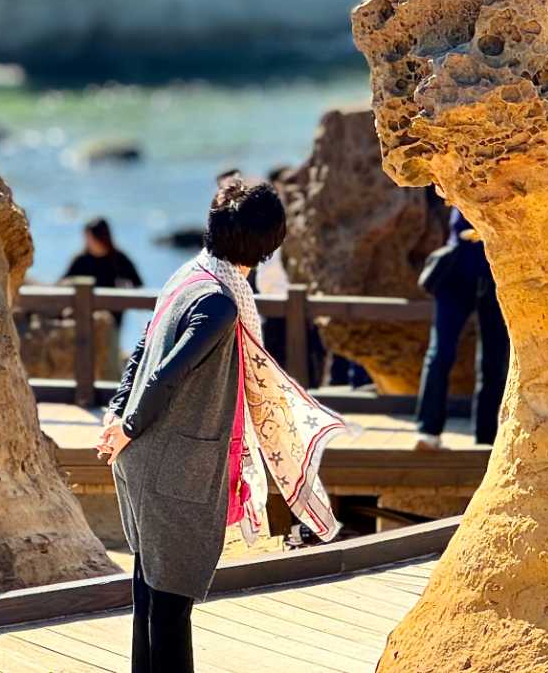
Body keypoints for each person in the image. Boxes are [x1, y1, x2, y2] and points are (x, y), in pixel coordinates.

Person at [98, 181, 349, 672]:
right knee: (171, 607)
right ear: (265, 246)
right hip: (174, 468)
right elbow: (168, 373)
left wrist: (117, 414)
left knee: (150, 596)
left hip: (144, 458)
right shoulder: (221, 303)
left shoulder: (187, 277)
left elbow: (142, 353)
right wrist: (126, 423)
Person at [414, 206, 510, 448]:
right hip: (457, 271)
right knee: (440, 353)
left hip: (497, 273)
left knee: (493, 361)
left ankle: (486, 439)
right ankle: (428, 431)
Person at [63, 218, 143, 292]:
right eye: (86, 237)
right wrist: (72, 282)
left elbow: (138, 284)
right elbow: (62, 282)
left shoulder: (119, 259)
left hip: (113, 306)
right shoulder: (81, 260)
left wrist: (127, 287)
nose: (87, 241)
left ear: (101, 237)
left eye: (90, 237)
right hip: (85, 306)